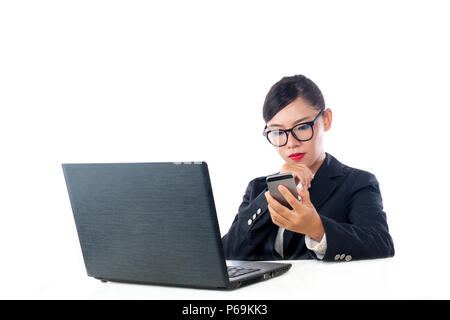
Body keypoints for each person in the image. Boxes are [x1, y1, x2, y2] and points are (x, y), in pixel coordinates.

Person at [221, 74, 395, 262]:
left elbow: (381, 244)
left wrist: (316, 228)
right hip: (264, 292)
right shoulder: (257, 188)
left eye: (302, 127)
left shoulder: (357, 182)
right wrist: (272, 193)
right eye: (278, 132)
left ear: (326, 119)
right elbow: (227, 252)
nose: (291, 143)